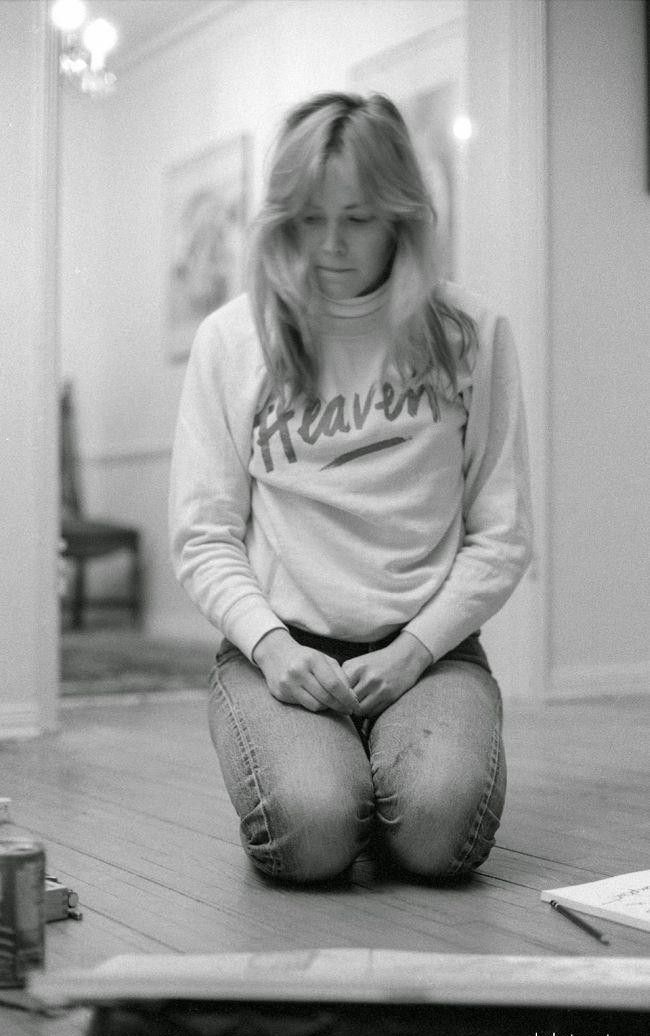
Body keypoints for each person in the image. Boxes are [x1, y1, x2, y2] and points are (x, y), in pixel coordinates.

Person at [169, 92, 533, 885]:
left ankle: (381, 774)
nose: (330, 246)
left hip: (430, 652)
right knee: (311, 835)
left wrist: (415, 651)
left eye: (358, 219)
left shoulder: (471, 333)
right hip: (280, 650)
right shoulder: (232, 339)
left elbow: (502, 532)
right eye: (308, 219)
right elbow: (204, 533)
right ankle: (340, 782)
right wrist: (270, 646)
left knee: (439, 835)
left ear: (401, 218)